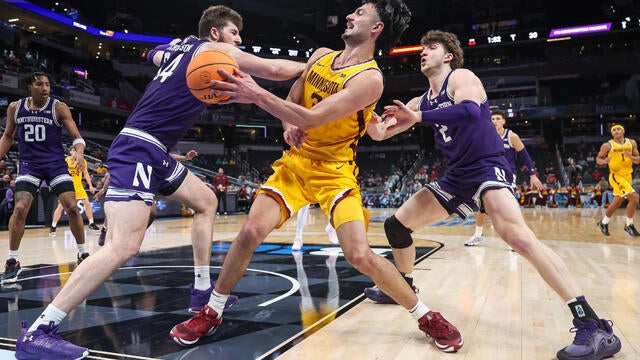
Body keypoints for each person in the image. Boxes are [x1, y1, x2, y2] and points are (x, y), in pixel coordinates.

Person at [15, 6, 306, 359]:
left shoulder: (180, 47)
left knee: (207, 202)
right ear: (214, 34)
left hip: (155, 151)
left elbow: (152, 54)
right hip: (138, 147)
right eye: (234, 34)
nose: (239, 41)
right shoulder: (211, 50)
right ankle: (39, 332)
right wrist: (318, 65)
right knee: (122, 246)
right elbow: (275, 70)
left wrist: (165, 54)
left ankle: (201, 290)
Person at [169, 0, 445, 353]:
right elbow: (295, 100)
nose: (350, 14)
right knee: (251, 230)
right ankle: (212, 311)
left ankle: (426, 316)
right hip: (297, 164)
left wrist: (256, 93)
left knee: (359, 255)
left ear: (377, 28)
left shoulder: (370, 79)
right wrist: (287, 126)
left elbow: (312, 118)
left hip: (335, 171)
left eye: (360, 13)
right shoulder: (319, 56)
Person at [362, 30, 620, 360]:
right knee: (396, 227)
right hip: (458, 175)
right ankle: (404, 284)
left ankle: (593, 325)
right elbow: (381, 133)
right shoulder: (418, 101)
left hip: (487, 165)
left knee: (517, 236)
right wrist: (362, 107)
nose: (423, 53)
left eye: (432, 48)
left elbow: (470, 111)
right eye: (422, 49)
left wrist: (420, 117)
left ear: (448, 56)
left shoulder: (461, 78)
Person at [0, 72, 90, 284]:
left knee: (72, 207)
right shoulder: (15, 107)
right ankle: (13, 261)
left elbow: (78, 138)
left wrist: (78, 150)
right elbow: (7, 137)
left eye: (48, 84)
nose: (45, 88)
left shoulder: (58, 107)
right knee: (20, 208)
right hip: (29, 166)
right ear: (29, 87)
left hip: (55, 165)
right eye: (39, 84)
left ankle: (82, 254)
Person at [465, 109, 544, 246]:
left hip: (508, 175)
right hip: (490, 173)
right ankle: (478, 235)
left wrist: (532, 175)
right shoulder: (485, 136)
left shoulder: (511, 136)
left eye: (497, 119)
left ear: (503, 121)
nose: (495, 121)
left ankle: (515, 237)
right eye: (493, 119)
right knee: (483, 205)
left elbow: (524, 155)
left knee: (509, 207)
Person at [595, 124, 640, 237]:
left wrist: (631, 157)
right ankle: (629, 225)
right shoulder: (607, 145)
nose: (616, 131)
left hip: (627, 176)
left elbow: (638, 160)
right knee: (635, 197)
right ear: (612, 133)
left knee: (617, 202)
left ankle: (603, 223)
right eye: (614, 130)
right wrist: (604, 161)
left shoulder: (632, 143)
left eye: (618, 129)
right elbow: (598, 159)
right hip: (616, 176)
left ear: (623, 131)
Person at [50, 147, 99, 236]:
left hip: (78, 186)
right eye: (74, 151)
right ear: (71, 152)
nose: (76, 153)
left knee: (87, 203)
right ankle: (53, 227)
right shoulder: (66, 160)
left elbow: (86, 174)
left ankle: (91, 223)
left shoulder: (82, 161)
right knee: (61, 206)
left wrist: (91, 185)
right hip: (67, 185)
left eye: (77, 151)